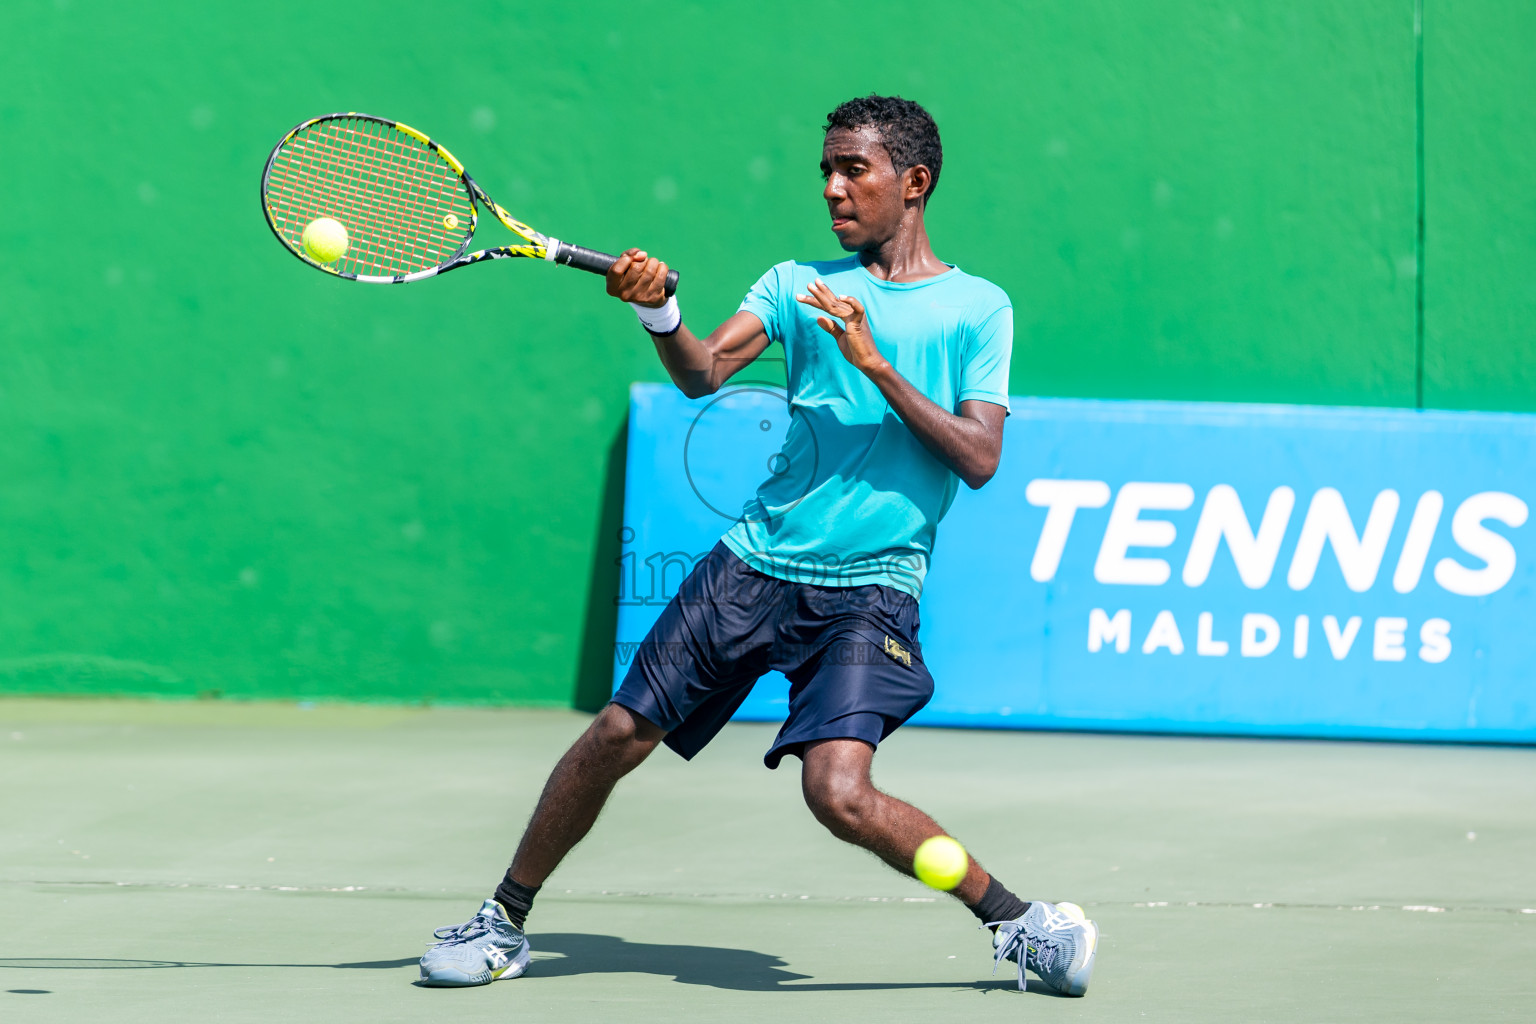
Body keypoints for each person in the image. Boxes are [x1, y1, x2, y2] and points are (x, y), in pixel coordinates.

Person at [418, 94, 1098, 996]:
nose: (832, 188)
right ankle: (502, 921)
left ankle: (1020, 926)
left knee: (841, 795)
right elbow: (703, 373)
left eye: (854, 169)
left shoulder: (977, 308)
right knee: (619, 731)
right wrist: (661, 313)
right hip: (755, 563)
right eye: (826, 169)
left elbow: (979, 457)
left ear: (915, 182)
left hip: (869, 589)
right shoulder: (794, 284)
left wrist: (877, 365)